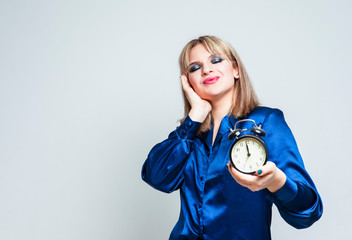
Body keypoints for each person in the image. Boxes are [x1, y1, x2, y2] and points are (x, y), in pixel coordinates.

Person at [141, 35, 323, 240]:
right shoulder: (189, 136)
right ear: (189, 82)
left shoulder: (265, 122)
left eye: (216, 60)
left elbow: (309, 212)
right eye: (195, 67)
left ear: (235, 69)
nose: (206, 70)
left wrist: (278, 182)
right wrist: (195, 115)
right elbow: (156, 177)